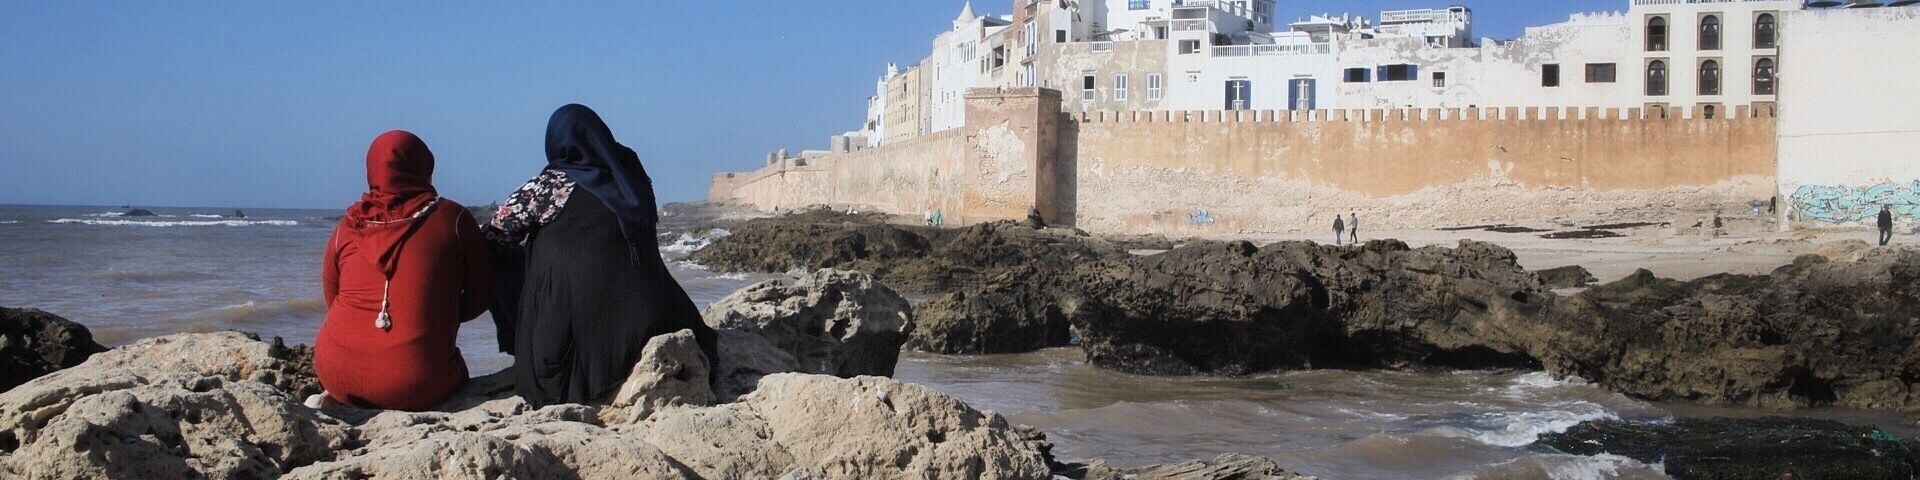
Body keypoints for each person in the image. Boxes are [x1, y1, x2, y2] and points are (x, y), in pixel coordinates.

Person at [485, 104, 718, 406]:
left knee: (500, 254)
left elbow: (496, 234)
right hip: (655, 319)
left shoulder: (549, 184)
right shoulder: (631, 180)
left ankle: (520, 336)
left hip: (574, 349)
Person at [314, 130, 492, 411]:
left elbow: (332, 298)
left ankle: (331, 399)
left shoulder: (347, 225)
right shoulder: (454, 218)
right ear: (424, 166)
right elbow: (481, 295)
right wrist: (438, 313)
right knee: (454, 370)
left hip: (335, 374)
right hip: (416, 384)